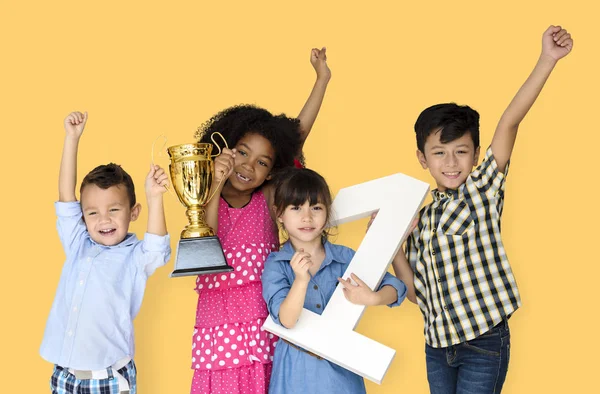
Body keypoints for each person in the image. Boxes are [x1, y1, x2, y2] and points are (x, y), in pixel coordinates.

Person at [390, 25, 573, 393]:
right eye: (439, 153)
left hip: (483, 342)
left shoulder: (482, 191)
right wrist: (393, 242)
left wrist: (547, 59)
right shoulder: (420, 220)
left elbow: (510, 121)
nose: (451, 162)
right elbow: (413, 293)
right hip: (437, 347)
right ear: (422, 159)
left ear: (475, 155)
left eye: (461, 151)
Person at [189, 48, 331, 393]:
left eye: (263, 162)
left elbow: (296, 138)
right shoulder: (202, 198)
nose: (248, 167)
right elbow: (206, 247)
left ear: (274, 168)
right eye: (241, 152)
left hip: (268, 323)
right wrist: (216, 182)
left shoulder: (268, 199)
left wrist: (322, 79)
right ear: (223, 146)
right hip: (218, 330)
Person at [40, 111, 171, 393]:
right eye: (93, 213)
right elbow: (66, 197)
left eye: (114, 210)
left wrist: (154, 198)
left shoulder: (135, 256)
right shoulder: (78, 244)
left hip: (109, 375)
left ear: (133, 212)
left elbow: (157, 246)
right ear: (83, 217)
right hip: (65, 374)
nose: (104, 220)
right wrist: (72, 139)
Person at [262, 168, 407, 394]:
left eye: (316, 208)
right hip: (296, 374)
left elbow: (397, 288)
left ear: (327, 212)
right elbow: (287, 319)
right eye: (296, 207)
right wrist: (300, 281)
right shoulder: (276, 264)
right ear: (279, 213)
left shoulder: (345, 257)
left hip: (341, 372)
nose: (307, 217)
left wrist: (374, 297)